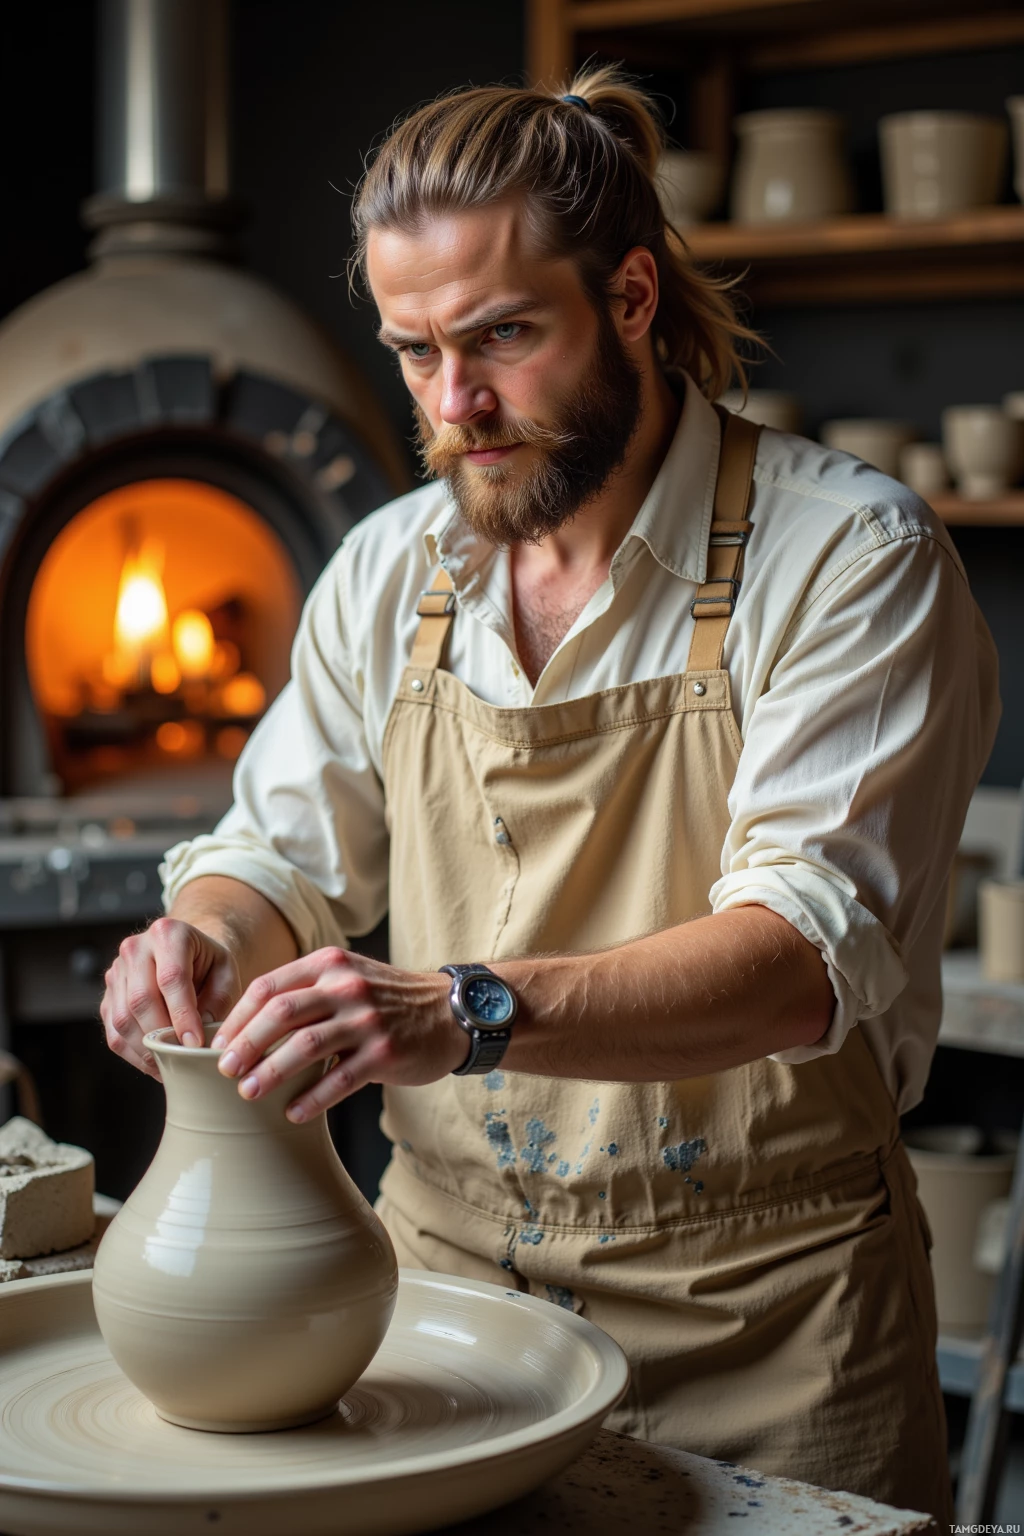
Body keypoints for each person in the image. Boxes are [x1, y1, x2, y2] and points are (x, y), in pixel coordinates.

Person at [101, 67, 998, 1518]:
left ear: (632, 298)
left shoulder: (851, 558)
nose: (456, 404)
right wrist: (204, 931)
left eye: (504, 336)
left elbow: (797, 960)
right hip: (441, 1311)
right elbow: (277, 854)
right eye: (412, 353)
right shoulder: (395, 569)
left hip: (762, 1320)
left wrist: (462, 1011)